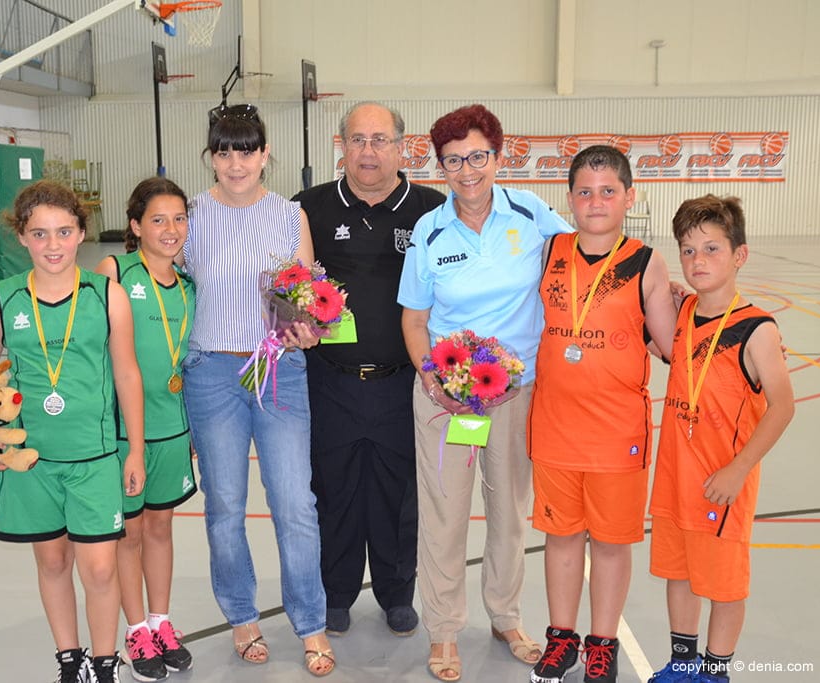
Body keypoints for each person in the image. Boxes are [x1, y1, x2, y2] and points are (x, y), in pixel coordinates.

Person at [397, 104, 573, 682]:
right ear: (440, 166)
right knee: (444, 513)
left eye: (477, 156)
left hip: (514, 393)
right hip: (447, 395)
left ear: (498, 156)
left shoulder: (532, 213)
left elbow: (590, 258)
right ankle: (444, 632)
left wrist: (653, 280)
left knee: (510, 513)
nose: (467, 170)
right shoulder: (429, 230)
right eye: (453, 160)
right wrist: (433, 380)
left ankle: (505, 616)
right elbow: (415, 320)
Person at [0, 180, 146, 683]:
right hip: (32, 458)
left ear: (82, 233)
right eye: (40, 234)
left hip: (96, 457)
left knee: (101, 569)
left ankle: (105, 662)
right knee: (53, 562)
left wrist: (136, 451)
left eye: (64, 231)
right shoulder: (3, 299)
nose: (53, 244)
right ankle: (71, 659)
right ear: (22, 237)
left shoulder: (107, 294)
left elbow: (127, 373)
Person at [181, 103, 335, 677]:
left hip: (279, 372)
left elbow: (310, 300)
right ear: (211, 157)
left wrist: (308, 331)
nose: (235, 161)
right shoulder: (191, 215)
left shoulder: (290, 216)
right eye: (223, 150)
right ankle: (242, 617)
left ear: (266, 155)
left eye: (246, 149)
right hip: (212, 374)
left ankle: (310, 622)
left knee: (296, 503)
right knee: (224, 507)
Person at [292, 102, 445, 638]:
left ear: (403, 147)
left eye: (380, 140)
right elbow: (288, 289)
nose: (368, 151)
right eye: (358, 140)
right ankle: (335, 594)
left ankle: (396, 592)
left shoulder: (431, 209)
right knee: (331, 489)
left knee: (397, 491)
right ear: (342, 147)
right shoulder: (307, 208)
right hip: (329, 378)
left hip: (403, 380)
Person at [526, 145, 677, 683]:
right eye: (585, 192)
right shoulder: (548, 251)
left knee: (611, 544)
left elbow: (671, 345)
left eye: (608, 191)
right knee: (561, 537)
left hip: (617, 433)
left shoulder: (646, 262)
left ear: (629, 197)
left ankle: (602, 643)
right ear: (569, 199)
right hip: (554, 426)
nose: (596, 201)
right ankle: (561, 638)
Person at [647, 195, 794, 683]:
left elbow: (783, 406)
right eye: (688, 250)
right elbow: (660, 345)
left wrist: (738, 469)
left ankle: (715, 670)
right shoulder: (685, 310)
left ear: (740, 255)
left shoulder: (757, 329)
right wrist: (656, 295)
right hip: (675, 476)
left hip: (721, 483)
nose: (698, 261)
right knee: (679, 571)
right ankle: (683, 661)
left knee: (725, 584)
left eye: (711, 249)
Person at [94, 178, 196, 682]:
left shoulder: (191, 285)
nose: (171, 229)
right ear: (135, 226)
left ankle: (161, 621)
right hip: (121, 434)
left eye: (179, 218)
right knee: (128, 534)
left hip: (172, 430)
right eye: (158, 219)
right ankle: (135, 628)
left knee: (160, 527)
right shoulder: (114, 271)